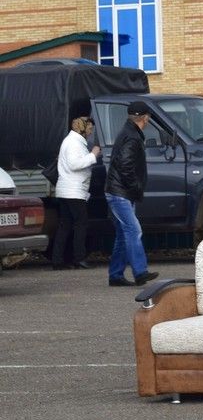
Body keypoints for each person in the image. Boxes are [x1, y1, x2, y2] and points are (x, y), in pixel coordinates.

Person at [105, 100, 158, 288]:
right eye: (149, 116)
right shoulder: (132, 137)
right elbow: (125, 165)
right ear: (145, 118)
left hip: (119, 191)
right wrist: (135, 187)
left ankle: (116, 275)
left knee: (123, 233)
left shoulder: (129, 132)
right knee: (134, 230)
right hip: (121, 193)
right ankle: (140, 272)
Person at [50, 116, 100, 270]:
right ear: (83, 128)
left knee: (65, 225)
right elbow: (74, 164)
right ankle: (79, 258)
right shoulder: (74, 143)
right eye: (90, 128)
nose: (91, 132)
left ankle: (58, 260)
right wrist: (93, 155)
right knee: (80, 224)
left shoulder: (71, 141)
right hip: (73, 191)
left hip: (67, 190)